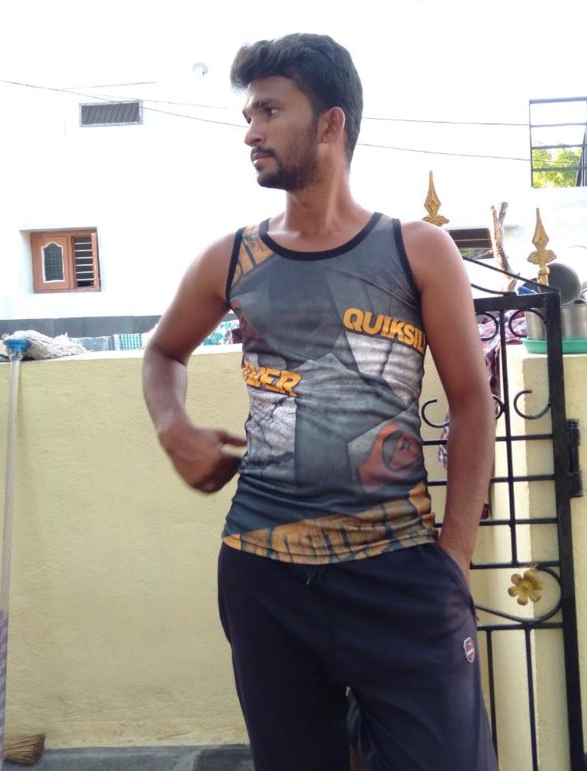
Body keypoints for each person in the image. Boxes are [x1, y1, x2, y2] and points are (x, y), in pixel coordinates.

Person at [142, 32, 498, 771]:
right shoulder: (233, 257)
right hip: (264, 573)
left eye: (271, 111)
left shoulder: (415, 249)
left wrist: (454, 558)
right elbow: (162, 352)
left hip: (399, 569)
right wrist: (174, 427)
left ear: (331, 123)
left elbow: (473, 403)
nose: (251, 131)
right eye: (249, 114)